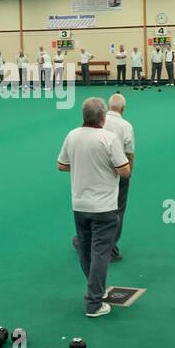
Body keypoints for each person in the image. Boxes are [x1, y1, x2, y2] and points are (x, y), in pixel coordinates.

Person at [57, 98, 129, 319]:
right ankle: (94, 303)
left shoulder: (72, 135)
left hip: (80, 205)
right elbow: (124, 170)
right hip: (104, 207)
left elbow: (61, 165)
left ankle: (93, 291)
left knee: (86, 250)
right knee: (100, 253)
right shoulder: (109, 138)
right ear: (102, 117)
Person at [104, 93, 134, 261]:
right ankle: (110, 247)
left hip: (98, 170)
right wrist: (128, 175)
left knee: (97, 205)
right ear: (123, 108)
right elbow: (129, 153)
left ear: (108, 107)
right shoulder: (126, 125)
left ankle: (86, 240)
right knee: (118, 209)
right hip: (119, 170)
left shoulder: (98, 120)